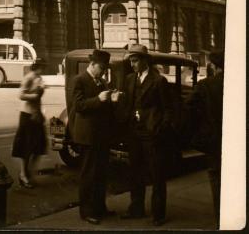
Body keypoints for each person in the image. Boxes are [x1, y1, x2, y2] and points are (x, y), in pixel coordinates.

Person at [119, 44, 174, 227]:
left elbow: (168, 109)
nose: (132, 64)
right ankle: (136, 209)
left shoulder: (159, 81)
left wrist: (159, 129)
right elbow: (127, 104)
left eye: (135, 61)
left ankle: (158, 214)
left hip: (152, 134)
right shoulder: (128, 79)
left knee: (157, 174)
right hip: (134, 133)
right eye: (131, 61)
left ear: (145, 61)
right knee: (135, 172)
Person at [69, 49, 122, 225]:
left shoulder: (101, 82)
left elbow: (103, 108)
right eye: (101, 67)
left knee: (101, 173)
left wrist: (111, 100)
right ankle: (86, 211)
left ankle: (99, 207)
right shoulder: (80, 80)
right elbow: (78, 106)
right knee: (88, 174)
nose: (104, 71)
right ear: (92, 65)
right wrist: (99, 99)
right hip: (87, 136)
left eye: (105, 68)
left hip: (101, 136)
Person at [185, 49, 224, 228]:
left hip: (215, 142)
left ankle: (222, 219)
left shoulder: (205, 85)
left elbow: (189, 109)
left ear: (213, 66)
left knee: (217, 180)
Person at [12, 58, 47, 188]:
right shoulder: (29, 77)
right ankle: (23, 174)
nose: (43, 69)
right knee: (26, 147)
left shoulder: (39, 78)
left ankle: (29, 173)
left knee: (39, 146)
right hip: (27, 115)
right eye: (41, 66)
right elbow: (21, 95)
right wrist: (35, 95)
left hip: (36, 115)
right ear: (36, 66)